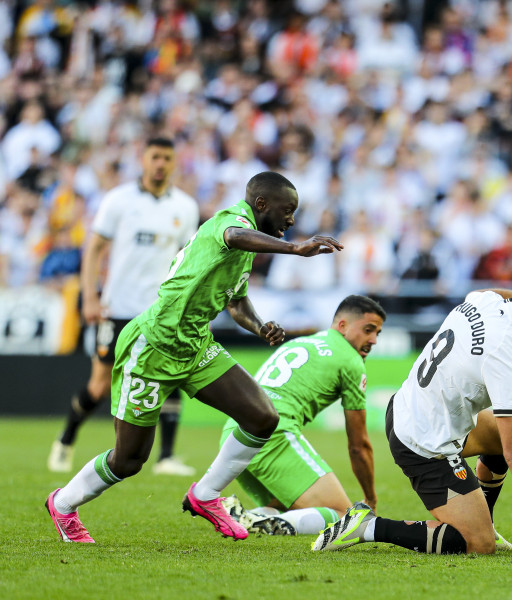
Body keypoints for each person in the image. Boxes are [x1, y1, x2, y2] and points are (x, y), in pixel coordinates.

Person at [45, 171, 343, 543]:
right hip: (153, 346)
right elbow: (234, 236)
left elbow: (235, 301)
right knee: (129, 460)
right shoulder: (229, 222)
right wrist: (295, 248)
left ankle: (205, 495)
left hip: (195, 345)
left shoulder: (244, 247)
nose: (292, 220)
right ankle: (63, 503)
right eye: (288, 210)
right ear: (262, 205)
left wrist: (260, 325)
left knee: (262, 418)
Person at [313, 263, 512, 557]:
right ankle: (368, 526)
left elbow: (489, 293)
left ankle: (484, 519)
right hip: (423, 444)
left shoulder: (485, 301)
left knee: (494, 434)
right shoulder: (507, 359)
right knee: (478, 544)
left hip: (405, 406)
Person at [47, 137, 200, 477]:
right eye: (155, 157)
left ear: (175, 163)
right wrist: (90, 295)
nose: (160, 163)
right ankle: (66, 438)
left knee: (170, 379)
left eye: (167, 158)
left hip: (161, 311)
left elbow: (187, 259)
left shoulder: (186, 207)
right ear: (143, 159)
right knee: (99, 385)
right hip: (118, 307)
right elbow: (94, 248)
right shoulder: (119, 200)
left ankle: (166, 457)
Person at [220, 294, 385, 536]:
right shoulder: (351, 361)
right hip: (272, 434)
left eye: (377, 333)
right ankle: (254, 522)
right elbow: (358, 445)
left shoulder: (301, 343)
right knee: (343, 516)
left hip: (233, 432)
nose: (373, 340)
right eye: (368, 330)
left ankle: (247, 518)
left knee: (286, 504)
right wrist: (370, 498)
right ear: (343, 326)